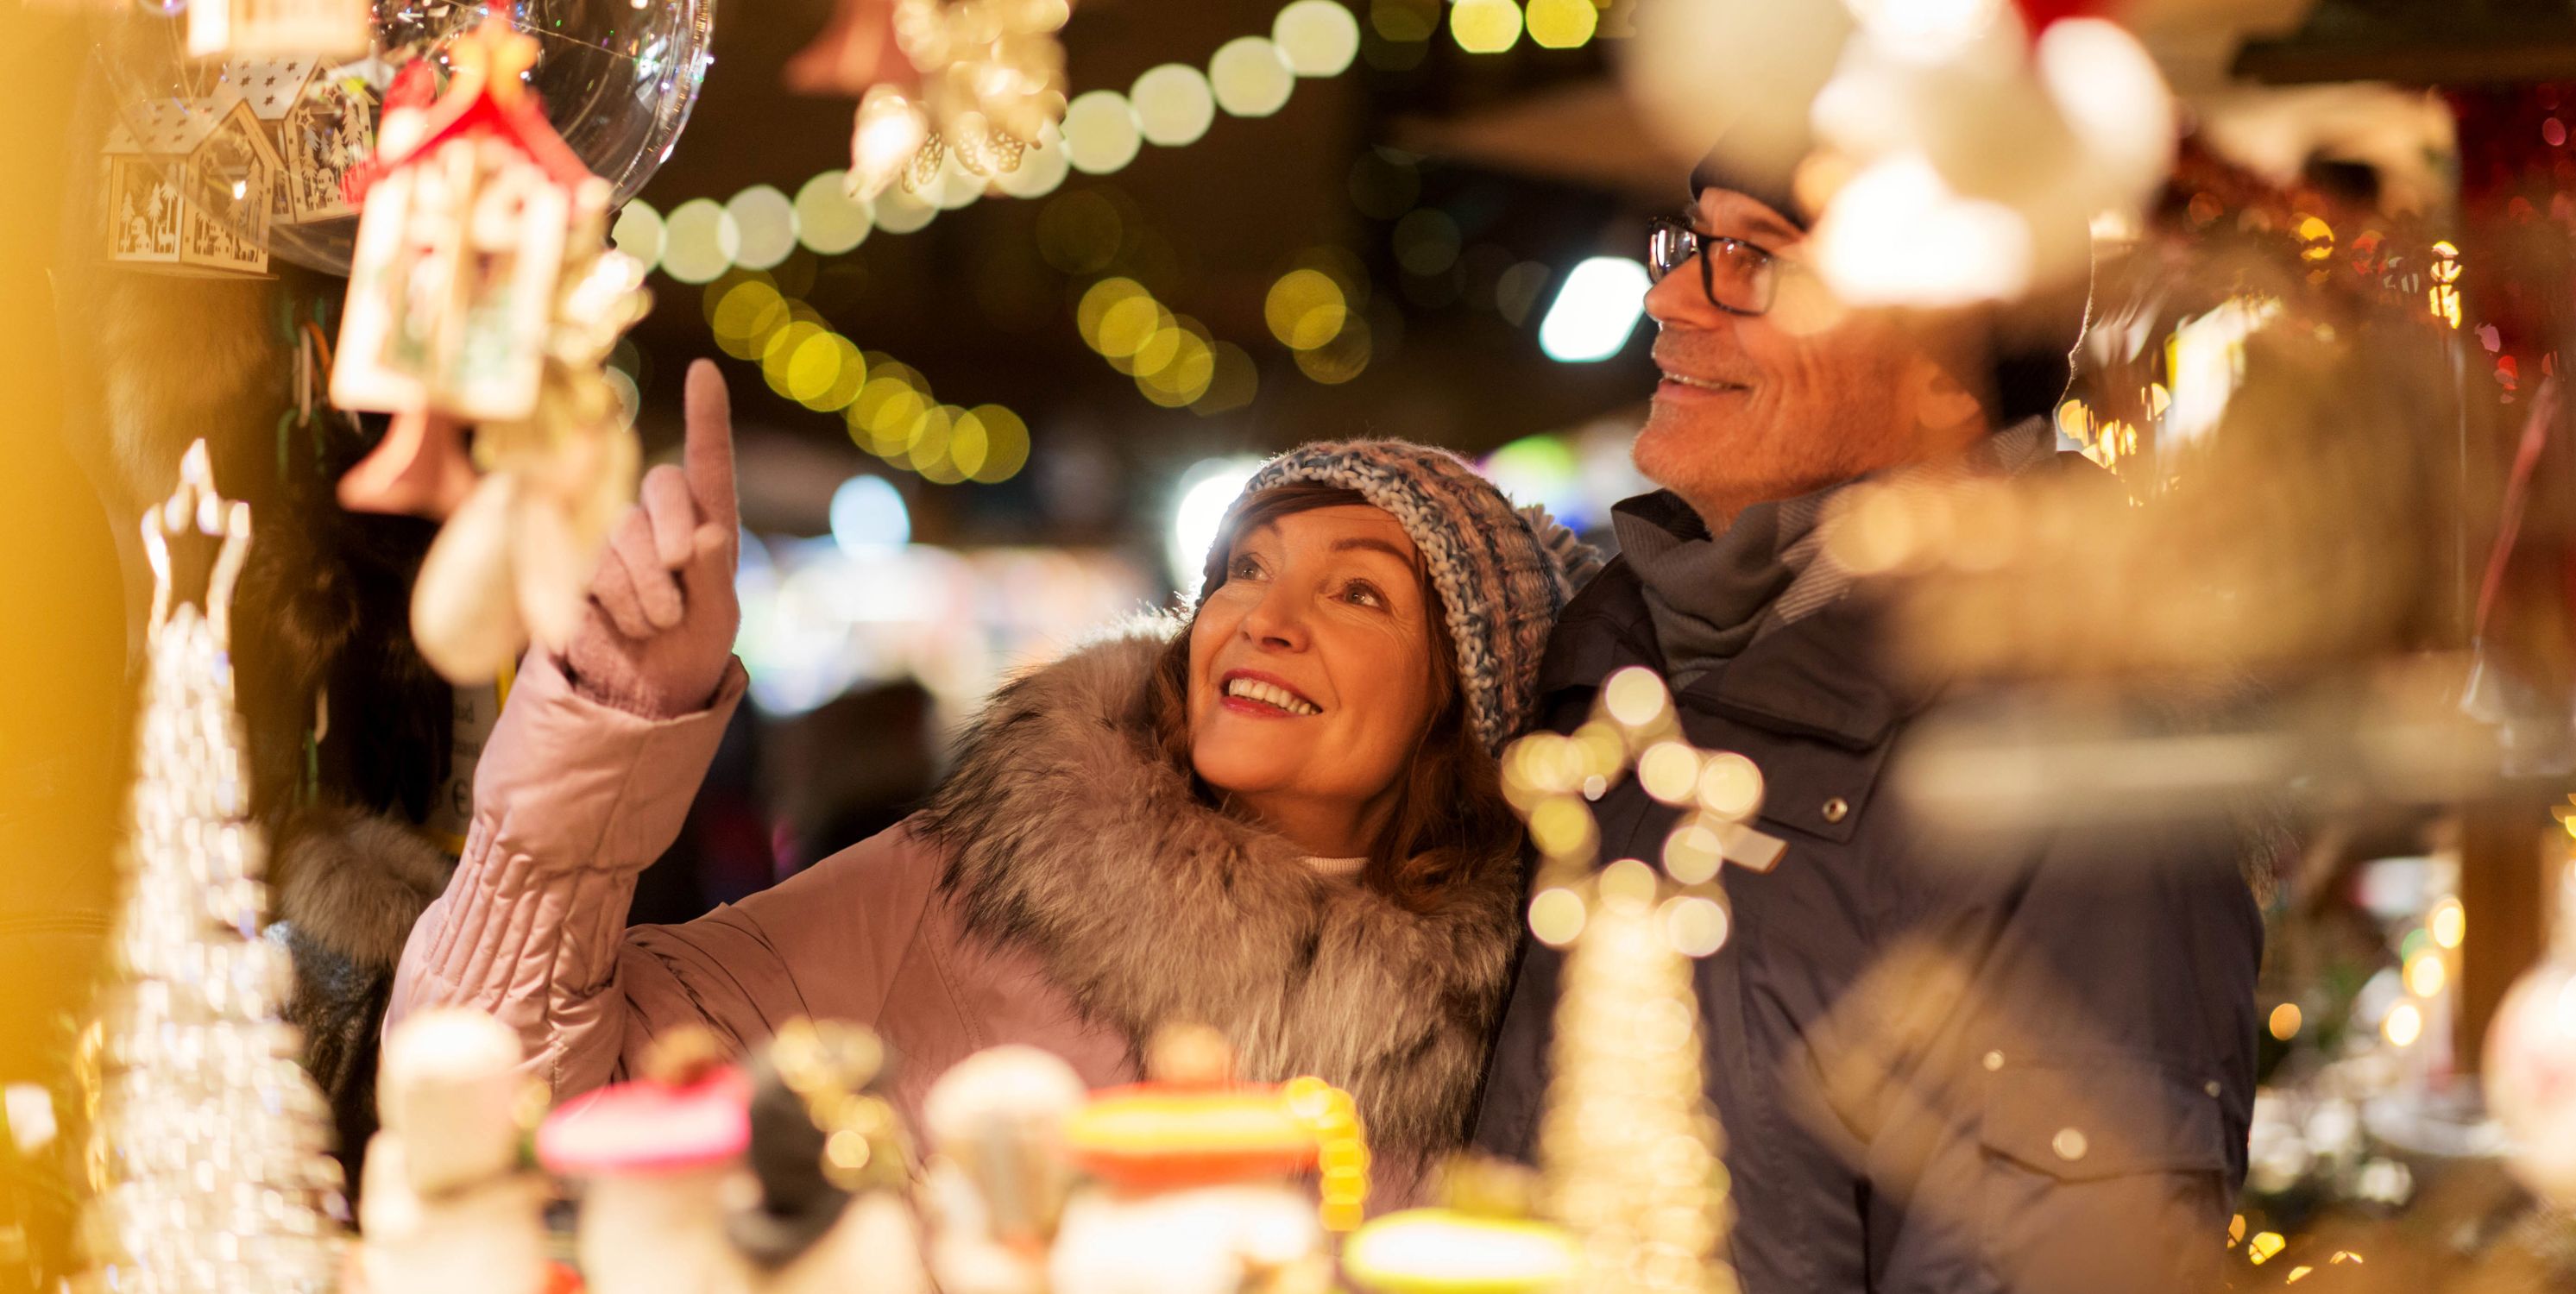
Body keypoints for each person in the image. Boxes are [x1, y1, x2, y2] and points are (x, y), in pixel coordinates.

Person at [385, 367, 1599, 1193]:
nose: (1261, 619)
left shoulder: (1523, 1020)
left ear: (1465, 701)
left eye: (1357, 593)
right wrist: (610, 722)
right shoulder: (973, 884)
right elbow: (504, 1098)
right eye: (1246, 568)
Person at [1467, 161, 2264, 1291]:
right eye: (1690, 243)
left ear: (1952, 370)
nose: (1672, 300)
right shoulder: (1608, 661)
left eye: (1758, 260)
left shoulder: (2082, 738)